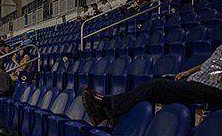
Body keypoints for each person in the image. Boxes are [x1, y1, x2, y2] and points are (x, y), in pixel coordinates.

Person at [83, 44, 222, 125]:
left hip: (213, 88)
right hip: (196, 80)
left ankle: (107, 104)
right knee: (164, 80)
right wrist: (188, 71)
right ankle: (110, 112)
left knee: (157, 86)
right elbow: (208, 64)